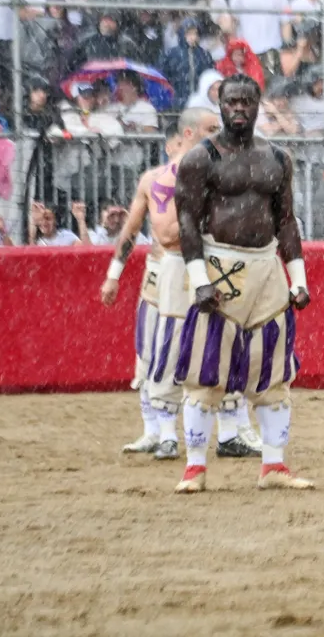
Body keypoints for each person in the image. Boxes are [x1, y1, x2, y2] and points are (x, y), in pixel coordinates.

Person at [171, 74, 312, 492]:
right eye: (231, 101)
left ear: (257, 104)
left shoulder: (278, 158)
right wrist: (199, 280)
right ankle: (195, 467)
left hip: (267, 266)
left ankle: (274, 467)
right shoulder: (200, 159)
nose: (238, 108)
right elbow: (187, 223)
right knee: (204, 370)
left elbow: (286, 221)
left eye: (246, 102)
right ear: (220, 104)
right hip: (218, 266)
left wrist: (298, 277)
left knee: (272, 371)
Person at [100, 112, 264, 460]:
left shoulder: (219, 173)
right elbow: (152, 233)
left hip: (210, 265)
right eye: (209, 129)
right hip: (174, 268)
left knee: (222, 344)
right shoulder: (162, 178)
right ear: (187, 134)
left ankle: (228, 433)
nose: (218, 134)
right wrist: (114, 274)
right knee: (165, 345)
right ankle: (163, 433)